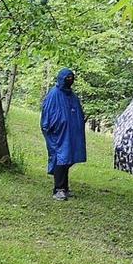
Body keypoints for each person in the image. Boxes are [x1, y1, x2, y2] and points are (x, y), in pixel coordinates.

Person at [41, 68, 87, 201]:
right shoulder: (54, 94)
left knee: (67, 159)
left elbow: (76, 111)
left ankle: (65, 187)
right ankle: (58, 189)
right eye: (67, 78)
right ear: (61, 79)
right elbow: (47, 116)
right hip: (58, 135)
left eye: (71, 78)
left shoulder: (71, 95)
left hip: (70, 134)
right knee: (60, 158)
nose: (70, 81)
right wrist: (55, 127)